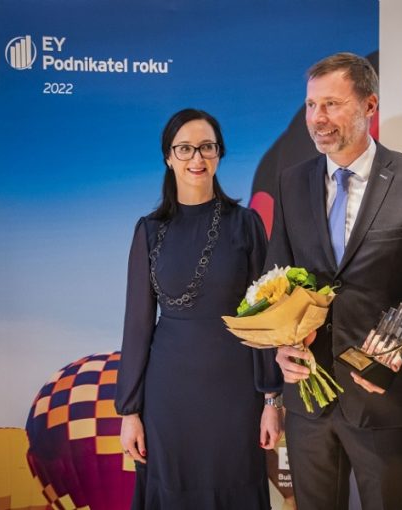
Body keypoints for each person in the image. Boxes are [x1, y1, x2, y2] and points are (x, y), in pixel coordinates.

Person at [265, 52, 402, 510]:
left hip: (382, 397)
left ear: (370, 106)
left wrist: (397, 341)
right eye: (311, 105)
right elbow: (277, 283)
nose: (317, 118)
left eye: (331, 104)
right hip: (308, 397)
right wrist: (280, 345)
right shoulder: (291, 183)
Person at [114, 108, 283, 510]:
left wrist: (271, 400)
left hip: (236, 393)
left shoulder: (246, 224)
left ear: (219, 154)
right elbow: (137, 325)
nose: (197, 158)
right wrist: (129, 412)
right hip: (168, 398)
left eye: (207, 147)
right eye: (185, 148)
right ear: (168, 157)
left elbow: (265, 321)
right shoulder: (148, 230)